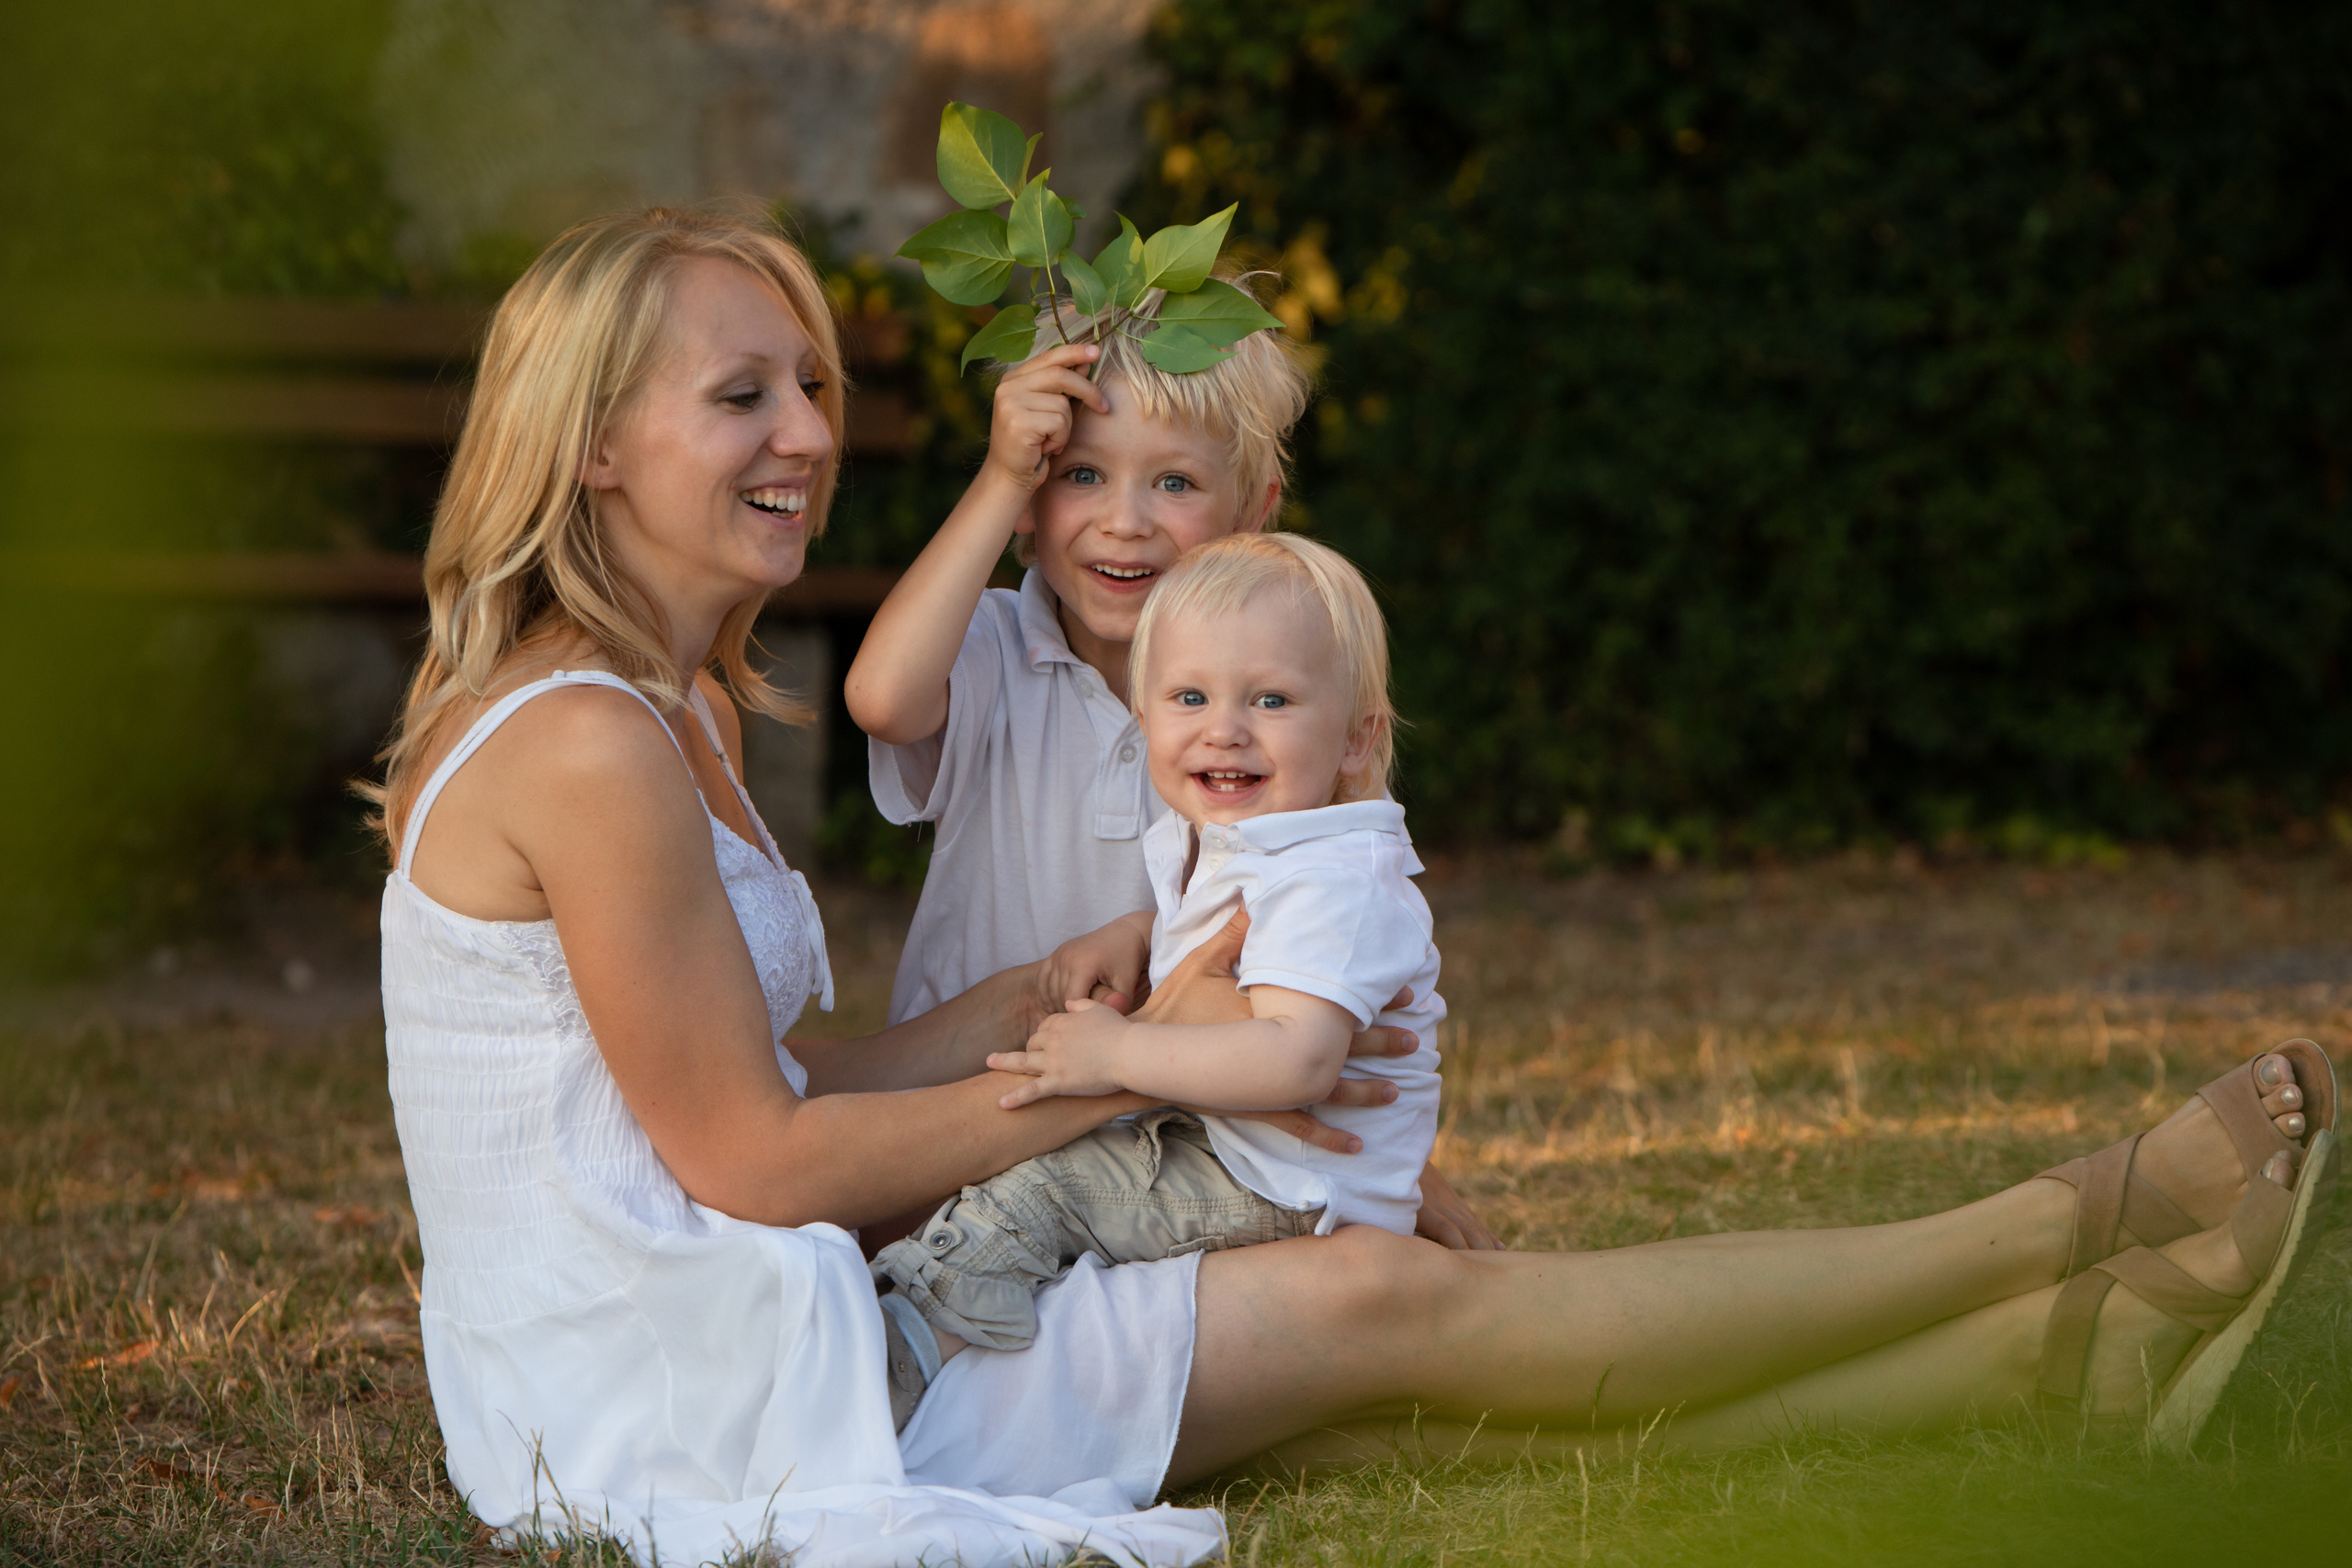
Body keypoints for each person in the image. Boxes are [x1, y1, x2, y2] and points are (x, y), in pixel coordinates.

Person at [377, 206, 2338, 1568]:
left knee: (1361, 1384)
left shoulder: (659, 710)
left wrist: (1043, 997)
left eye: (809, 385)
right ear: (592, 443)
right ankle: (2063, 1217)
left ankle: (2040, 1357)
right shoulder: (586, 743)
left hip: (721, 1321)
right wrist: (1120, 1069)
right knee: (1386, 1303)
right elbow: (752, 1160)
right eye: (744, 396)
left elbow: (788, 1072)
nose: (810, 433)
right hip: (689, 1386)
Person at [842, 286, 1493, 1249]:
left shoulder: (1269, 718)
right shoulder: (990, 647)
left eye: (1175, 483)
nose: (1125, 521)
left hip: (1172, 1142)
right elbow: (883, 698)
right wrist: (999, 478)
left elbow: (1315, 955)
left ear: (1255, 512)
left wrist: (1399, 1164)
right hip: (965, 1115)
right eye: (1080, 475)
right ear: (1028, 504)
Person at [875, 533, 1445, 1352]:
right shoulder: (1247, 841)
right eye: (1190, 697)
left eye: (1271, 700)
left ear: (1356, 738)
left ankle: (909, 1356)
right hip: (1244, 1155)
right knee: (1048, 1175)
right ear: (1144, 718)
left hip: (1288, 1187)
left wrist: (1116, 1055)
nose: (1225, 730)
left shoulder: (1333, 878)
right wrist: (1137, 932)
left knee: (1039, 1194)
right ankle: (983, 1336)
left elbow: (1299, 1061)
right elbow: (1229, 935)